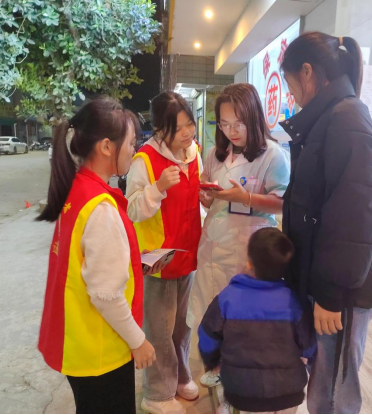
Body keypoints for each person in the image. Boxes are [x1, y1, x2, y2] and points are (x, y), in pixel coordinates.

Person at [279, 32, 372, 415]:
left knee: (332, 390)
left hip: (343, 289)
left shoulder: (345, 120)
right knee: (325, 381)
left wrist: (330, 295)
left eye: (290, 83)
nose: (291, 94)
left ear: (307, 72)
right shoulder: (333, 117)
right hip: (333, 281)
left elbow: (354, 216)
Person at [37, 97, 156, 414]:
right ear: (106, 147)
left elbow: (86, 264)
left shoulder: (78, 190)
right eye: (131, 143)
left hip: (81, 345)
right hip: (101, 350)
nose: (134, 151)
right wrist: (138, 341)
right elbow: (106, 294)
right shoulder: (101, 207)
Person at [187, 83, 291, 353]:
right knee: (208, 321)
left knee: (241, 328)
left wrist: (246, 198)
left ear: (253, 118)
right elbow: (208, 194)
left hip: (246, 253)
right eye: (224, 124)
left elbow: (283, 204)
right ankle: (212, 365)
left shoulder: (273, 155)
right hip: (212, 247)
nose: (231, 131)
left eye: (238, 124)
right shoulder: (215, 154)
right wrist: (206, 197)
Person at [126, 92, 202, 415]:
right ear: (159, 130)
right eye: (177, 128)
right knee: (159, 329)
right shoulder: (144, 160)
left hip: (188, 254)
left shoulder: (194, 152)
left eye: (189, 124)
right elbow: (132, 209)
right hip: (158, 261)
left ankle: (180, 376)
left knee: (183, 326)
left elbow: (194, 197)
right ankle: (157, 394)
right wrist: (157, 188)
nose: (187, 133)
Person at [198, 228, 316, 415]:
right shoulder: (295, 302)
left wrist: (213, 361)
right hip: (288, 392)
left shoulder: (227, 298)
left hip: (242, 392)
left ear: (249, 263)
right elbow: (308, 344)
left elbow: (207, 335)